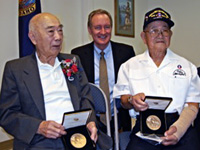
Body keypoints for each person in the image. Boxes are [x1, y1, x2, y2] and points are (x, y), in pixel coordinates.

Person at [0, 12, 112, 150]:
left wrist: (90, 122)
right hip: (40, 139)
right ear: (33, 37)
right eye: (51, 32)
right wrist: (39, 126)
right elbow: (7, 114)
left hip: (77, 135)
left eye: (60, 30)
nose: (58, 37)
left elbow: (85, 98)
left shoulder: (72, 61)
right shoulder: (16, 69)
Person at [113, 7, 200, 150]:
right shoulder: (129, 66)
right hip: (144, 130)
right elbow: (123, 101)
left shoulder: (187, 67)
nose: (160, 34)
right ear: (143, 37)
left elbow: (193, 105)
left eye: (164, 30)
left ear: (170, 35)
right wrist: (131, 100)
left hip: (180, 128)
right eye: (154, 30)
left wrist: (178, 130)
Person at [71, 9, 135, 135]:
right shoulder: (78, 55)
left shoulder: (126, 52)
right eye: (98, 27)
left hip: (119, 120)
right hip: (90, 121)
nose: (103, 32)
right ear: (89, 30)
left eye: (107, 27)